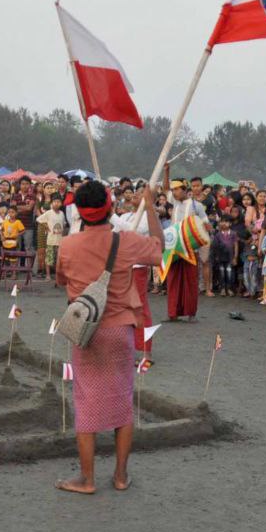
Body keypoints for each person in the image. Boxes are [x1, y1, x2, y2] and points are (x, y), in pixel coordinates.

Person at [55, 180, 164, 494]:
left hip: (85, 329)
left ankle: (87, 479)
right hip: (120, 328)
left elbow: (61, 278)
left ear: (79, 212)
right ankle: (120, 476)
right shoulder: (126, 241)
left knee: (85, 401)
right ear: (110, 208)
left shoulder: (68, 245)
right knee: (123, 403)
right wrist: (151, 206)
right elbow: (159, 248)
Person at [163, 164, 207, 321]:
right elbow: (165, 189)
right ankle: (173, 314)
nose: (173, 192)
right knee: (173, 280)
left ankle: (190, 313)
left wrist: (201, 236)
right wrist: (166, 171)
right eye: (173, 190)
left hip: (190, 248)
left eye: (177, 190)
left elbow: (207, 225)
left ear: (184, 190)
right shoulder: (174, 203)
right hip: (174, 247)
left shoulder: (198, 206)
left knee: (190, 281)